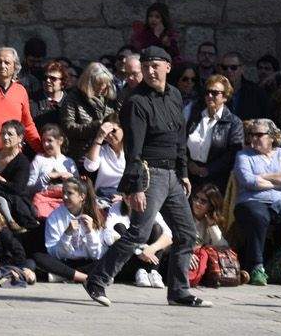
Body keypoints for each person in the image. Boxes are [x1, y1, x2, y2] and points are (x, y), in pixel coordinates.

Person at [82, 45, 206, 309]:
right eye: (146, 65)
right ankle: (97, 279)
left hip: (172, 173)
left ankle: (179, 291)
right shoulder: (136, 102)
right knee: (138, 233)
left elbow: (179, 138)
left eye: (156, 65)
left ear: (168, 67)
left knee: (187, 234)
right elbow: (134, 149)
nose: (150, 70)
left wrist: (183, 173)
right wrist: (135, 186)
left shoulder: (174, 94)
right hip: (149, 174)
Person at [232, 117, 281, 287]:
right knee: (259, 217)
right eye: (251, 135)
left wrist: (262, 177)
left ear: (272, 137)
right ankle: (257, 267)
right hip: (253, 200)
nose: (254, 138)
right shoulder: (243, 155)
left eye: (259, 135)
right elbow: (248, 181)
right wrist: (279, 179)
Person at [33, 176, 105, 285]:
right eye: (63, 192)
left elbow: (96, 255)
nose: (65, 196)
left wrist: (90, 232)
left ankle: (62, 276)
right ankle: (85, 277)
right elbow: (54, 253)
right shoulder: (55, 216)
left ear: (82, 196)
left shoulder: (94, 217)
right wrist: (67, 234)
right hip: (64, 262)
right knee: (38, 257)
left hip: (86, 262)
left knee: (108, 259)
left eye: (70, 193)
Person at [185, 73, 244, 190]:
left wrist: (208, 170)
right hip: (190, 176)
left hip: (216, 181)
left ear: (225, 97)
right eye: (207, 92)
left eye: (215, 93)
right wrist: (189, 163)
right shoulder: (194, 117)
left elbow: (233, 153)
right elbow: (181, 142)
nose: (210, 96)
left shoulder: (234, 122)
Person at [61, 61, 118, 158]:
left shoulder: (110, 99)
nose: (102, 87)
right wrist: (96, 125)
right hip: (82, 152)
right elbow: (68, 128)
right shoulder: (73, 98)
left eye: (105, 84)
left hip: (106, 153)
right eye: (99, 84)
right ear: (89, 82)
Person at [82, 120, 125, 205]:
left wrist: (124, 198)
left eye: (113, 131)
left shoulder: (132, 152)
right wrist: (99, 137)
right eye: (106, 132)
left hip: (126, 200)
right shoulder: (101, 150)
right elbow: (90, 167)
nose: (109, 135)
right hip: (102, 198)